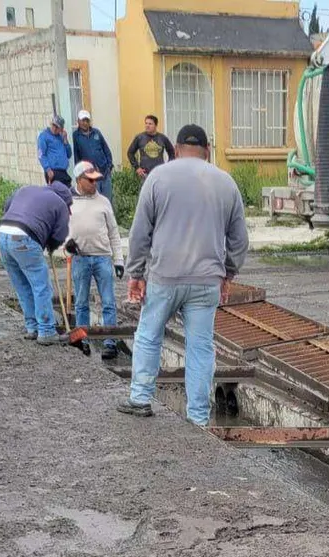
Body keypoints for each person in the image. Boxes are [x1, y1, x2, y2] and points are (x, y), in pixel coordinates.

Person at [120, 124, 248, 425]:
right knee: (200, 348)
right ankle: (198, 417)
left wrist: (136, 272)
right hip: (206, 281)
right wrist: (228, 273)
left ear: (175, 150)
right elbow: (240, 240)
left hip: (164, 277)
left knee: (149, 335)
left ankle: (140, 398)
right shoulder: (226, 183)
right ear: (207, 151)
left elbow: (139, 233)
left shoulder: (158, 177)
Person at [0, 181, 73, 344]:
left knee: (22, 285)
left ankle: (32, 327)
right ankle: (46, 331)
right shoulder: (61, 203)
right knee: (41, 286)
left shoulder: (26, 189)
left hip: (3, 234)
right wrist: (51, 245)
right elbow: (60, 235)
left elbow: (7, 206)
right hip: (24, 238)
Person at [66, 161, 124, 361]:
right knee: (81, 303)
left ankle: (110, 343)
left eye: (96, 180)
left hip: (102, 258)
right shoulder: (68, 201)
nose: (94, 184)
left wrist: (118, 260)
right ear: (79, 180)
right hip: (80, 258)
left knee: (108, 302)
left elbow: (114, 232)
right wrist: (67, 243)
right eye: (90, 180)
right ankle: (82, 340)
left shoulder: (103, 202)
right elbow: (61, 228)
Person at [72, 110, 115, 204]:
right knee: (95, 201)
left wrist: (109, 165)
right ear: (78, 121)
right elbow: (77, 156)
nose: (85, 123)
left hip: (104, 173)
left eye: (87, 120)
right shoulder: (76, 136)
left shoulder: (96, 132)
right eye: (83, 120)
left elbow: (106, 149)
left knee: (108, 201)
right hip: (91, 176)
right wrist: (80, 175)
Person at [37, 115, 73, 186]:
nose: (55, 128)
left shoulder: (61, 137)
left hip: (63, 172)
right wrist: (48, 169)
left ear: (61, 129)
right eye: (53, 125)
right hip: (52, 172)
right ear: (51, 124)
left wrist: (65, 140)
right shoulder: (44, 136)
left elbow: (69, 154)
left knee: (67, 191)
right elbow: (41, 155)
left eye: (57, 127)